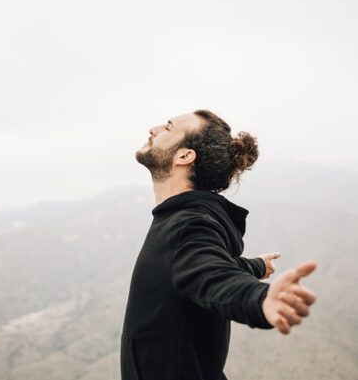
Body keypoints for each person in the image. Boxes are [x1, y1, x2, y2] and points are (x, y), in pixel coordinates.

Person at [120, 110, 317, 380]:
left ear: (185, 156)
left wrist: (260, 299)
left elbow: (212, 275)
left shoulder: (186, 225)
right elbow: (199, 265)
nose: (153, 129)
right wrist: (255, 266)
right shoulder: (187, 219)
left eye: (168, 127)